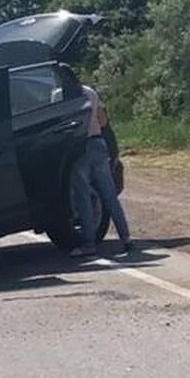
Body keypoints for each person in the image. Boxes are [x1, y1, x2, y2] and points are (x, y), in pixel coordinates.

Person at [70, 84, 135, 258]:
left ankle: (89, 243)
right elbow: (103, 120)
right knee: (109, 195)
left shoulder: (59, 94)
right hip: (98, 144)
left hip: (79, 148)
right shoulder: (90, 92)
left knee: (83, 197)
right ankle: (126, 238)